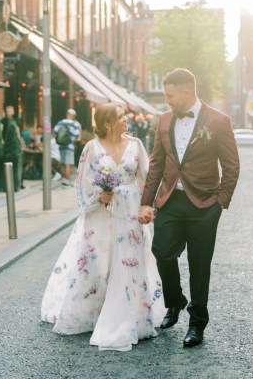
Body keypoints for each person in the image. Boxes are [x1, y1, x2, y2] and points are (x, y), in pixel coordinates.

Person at [41, 103, 165, 351]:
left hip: (129, 212)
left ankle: (131, 315)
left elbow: (147, 177)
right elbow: (83, 181)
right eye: (121, 117)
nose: (125, 120)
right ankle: (96, 310)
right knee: (99, 262)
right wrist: (99, 195)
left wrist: (147, 205)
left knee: (129, 260)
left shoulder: (136, 145)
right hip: (101, 213)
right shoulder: (92, 147)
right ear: (108, 123)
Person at [138, 68, 240, 348]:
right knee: (161, 251)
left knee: (199, 264)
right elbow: (157, 163)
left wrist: (220, 202)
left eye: (170, 95)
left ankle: (197, 324)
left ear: (186, 91)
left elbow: (231, 166)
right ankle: (175, 301)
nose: (167, 101)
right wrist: (146, 201)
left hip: (205, 204)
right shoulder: (163, 120)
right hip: (170, 200)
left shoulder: (219, 121)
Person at [53, 108, 81, 185]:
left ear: (67, 114)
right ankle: (67, 181)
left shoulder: (60, 123)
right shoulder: (74, 124)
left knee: (62, 163)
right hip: (70, 147)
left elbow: (54, 133)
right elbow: (77, 137)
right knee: (68, 164)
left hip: (61, 146)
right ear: (73, 116)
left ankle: (63, 180)